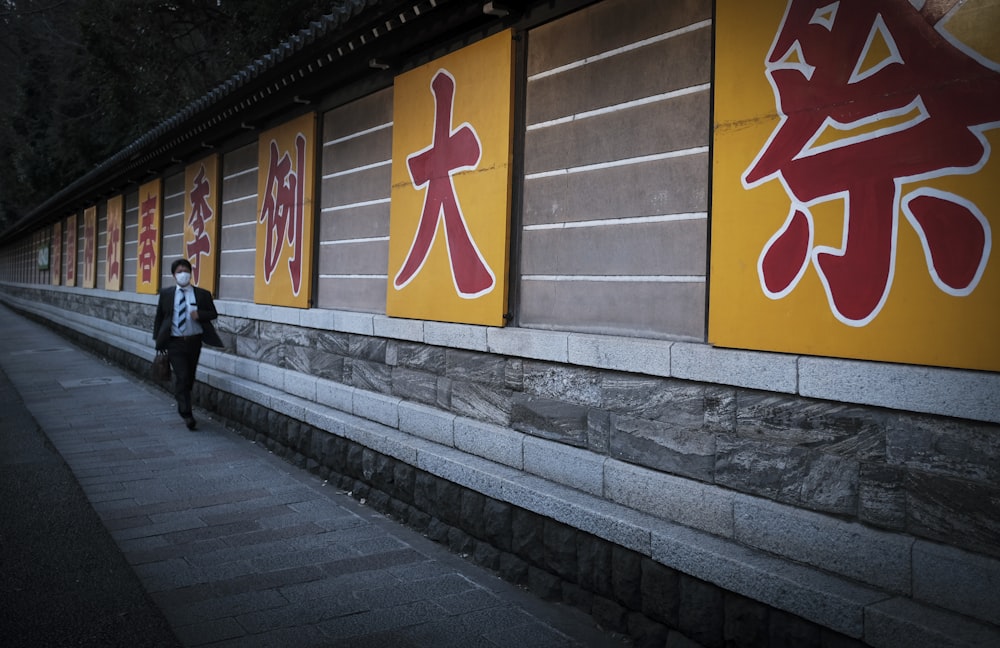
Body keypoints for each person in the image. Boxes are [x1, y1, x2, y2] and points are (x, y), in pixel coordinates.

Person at [153, 258, 224, 430]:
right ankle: (186, 413)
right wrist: (158, 340)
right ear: (174, 275)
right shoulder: (167, 294)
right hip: (175, 342)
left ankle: (185, 401)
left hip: (194, 342)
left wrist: (200, 314)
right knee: (182, 376)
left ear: (190, 274)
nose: (183, 274)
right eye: (179, 271)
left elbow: (213, 314)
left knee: (189, 377)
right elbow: (160, 317)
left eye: (185, 270)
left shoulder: (202, 294)